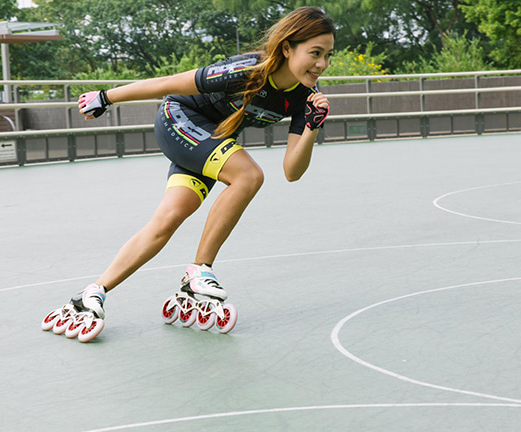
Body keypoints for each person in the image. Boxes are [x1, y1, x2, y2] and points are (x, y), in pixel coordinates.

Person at [42, 6, 336, 341]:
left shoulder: (305, 98)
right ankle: (199, 272)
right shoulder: (246, 69)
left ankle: (91, 295)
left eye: (328, 55)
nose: (322, 64)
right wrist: (106, 97)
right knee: (248, 176)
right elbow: (169, 83)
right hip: (179, 118)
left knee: (167, 219)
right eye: (315, 53)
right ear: (287, 48)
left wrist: (313, 126)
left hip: (211, 140)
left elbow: (292, 171)